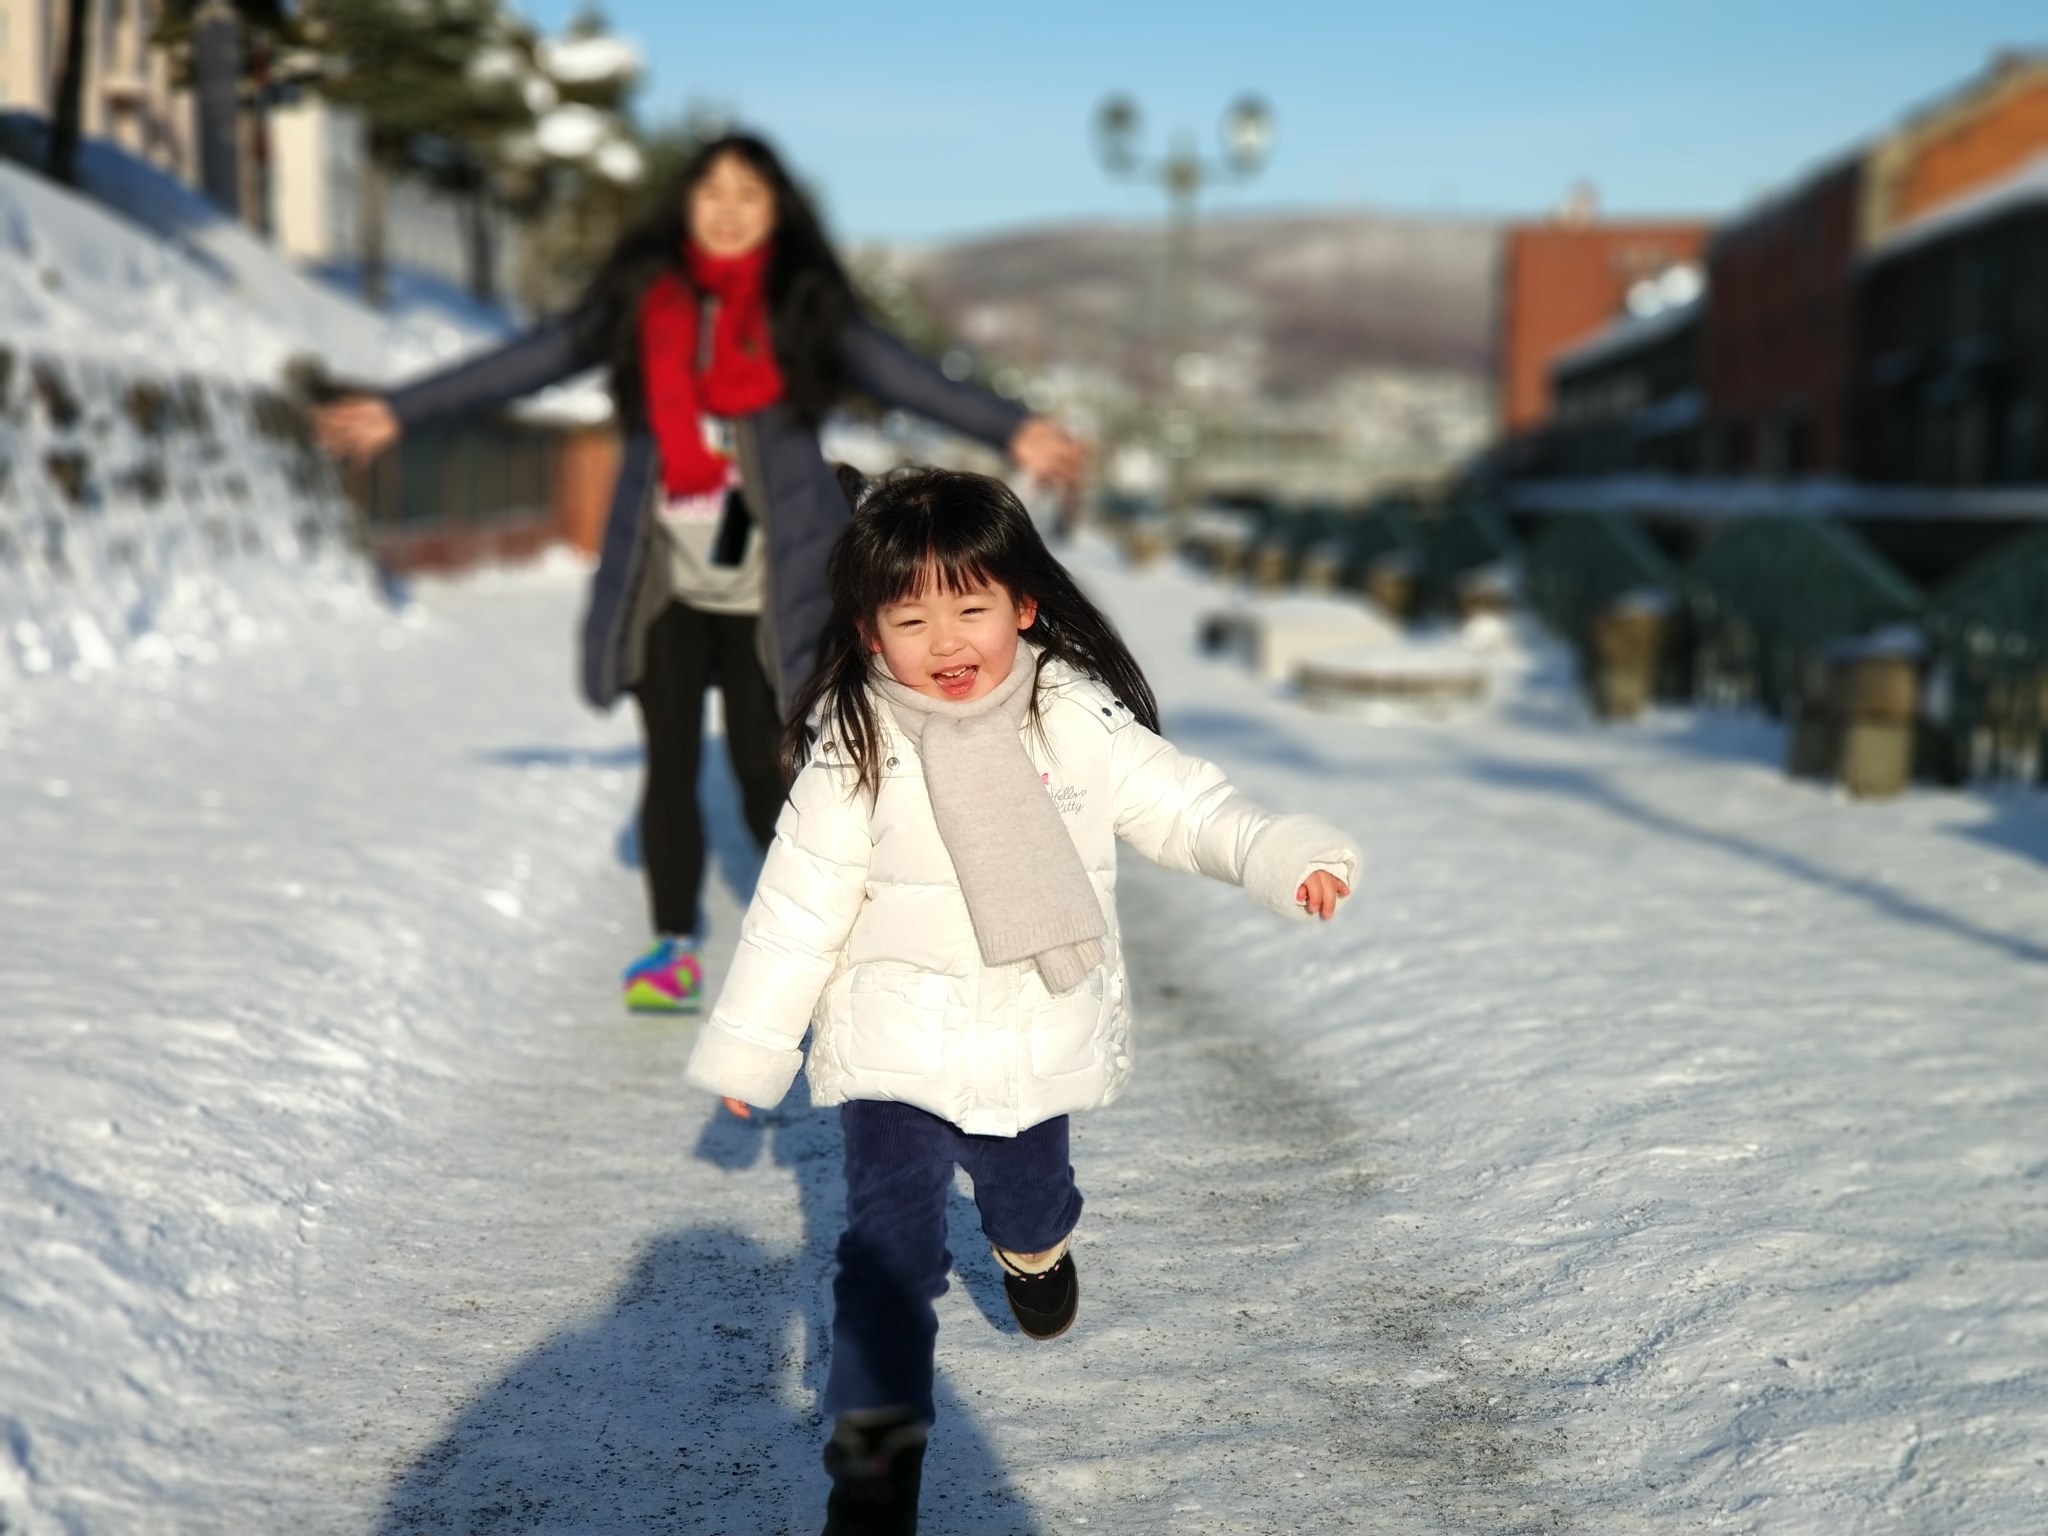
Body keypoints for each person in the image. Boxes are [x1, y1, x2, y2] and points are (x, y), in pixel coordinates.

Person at [682, 468, 1358, 1534]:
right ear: (867, 630)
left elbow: (1189, 808)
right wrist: (752, 1051)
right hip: (893, 1049)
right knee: (886, 1262)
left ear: (1023, 605)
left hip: (1036, 1034)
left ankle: (1034, 1252)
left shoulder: (1071, 715)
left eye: (970, 607)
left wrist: (1279, 853)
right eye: (909, 617)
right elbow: (795, 909)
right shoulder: (855, 745)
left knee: (1027, 1203)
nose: (944, 642)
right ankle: (872, 1465)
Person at [313, 134, 1086, 1014]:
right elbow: (525, 362)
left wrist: (1013, 428)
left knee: (774, 769)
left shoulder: (805, 310)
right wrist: (400, 409)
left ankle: (823, 944)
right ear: (687, 203)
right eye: (711, 191)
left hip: (778, 589)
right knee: (670, 763)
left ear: (775, 212)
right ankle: (671, 947)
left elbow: (909, 378)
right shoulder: (643, 303)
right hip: (666, 583)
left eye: (747, 195)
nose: (726, 208)